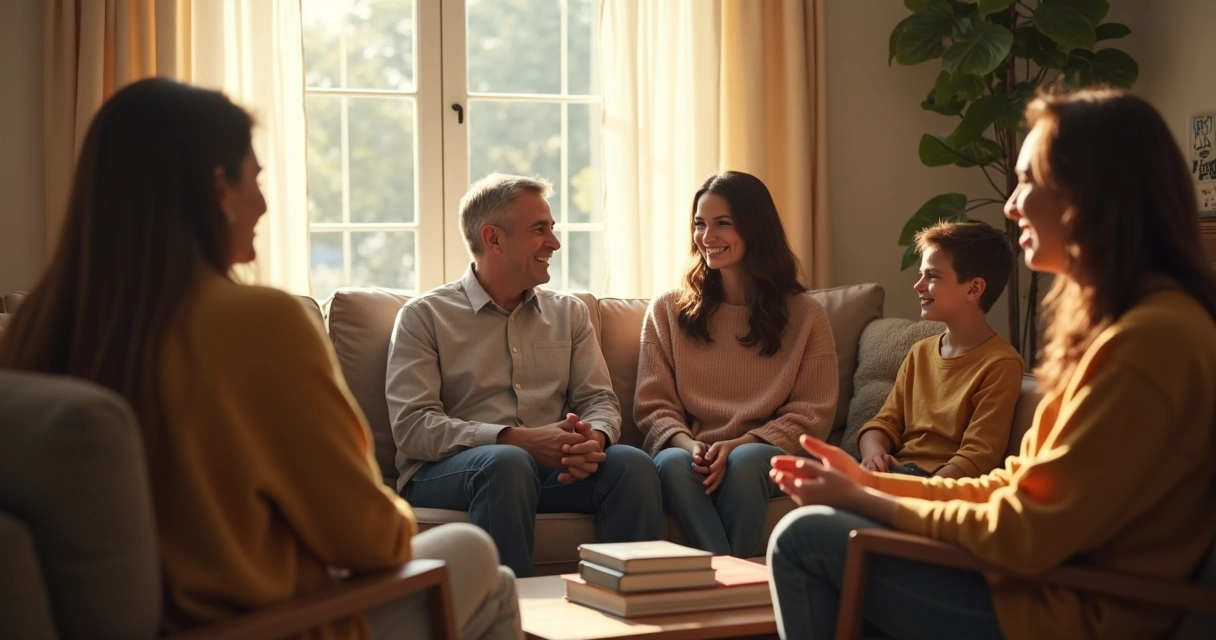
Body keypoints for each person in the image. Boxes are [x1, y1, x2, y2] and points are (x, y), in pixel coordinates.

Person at [0, 78, 521, 640]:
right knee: (476, 558)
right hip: (269, 625)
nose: (264, 204)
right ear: (217, 189)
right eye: (255, 179)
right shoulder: (258, 324)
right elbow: (369, 539)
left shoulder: (33, 329)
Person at [765, 89, 1216, 639]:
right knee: (827, 526)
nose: (1010, 204)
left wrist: (866, 497)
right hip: (1041, 584)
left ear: (1089, 193)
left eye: (1028, 180)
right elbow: (1009, 488)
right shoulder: (1126, 331)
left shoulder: (1151, 342)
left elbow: (1023, 530)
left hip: (1071, 611)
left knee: (805, 538)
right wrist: (869, 484)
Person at [385, 172, 663, 578]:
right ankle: (514, 622)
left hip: (545, 471)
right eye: (539, 230)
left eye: (552, 229)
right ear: (493, 239)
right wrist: (518, 440)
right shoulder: (423, 317)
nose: (554, 243)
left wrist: (593, 438)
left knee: (632, 465)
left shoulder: (569, 313)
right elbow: (414, 427)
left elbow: (598, 401)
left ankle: (626, 618)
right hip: (449, 472)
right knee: (507, 463)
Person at [634, 171, 838, 557]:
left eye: (722, 224)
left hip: (762, 451)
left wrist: (742, 442)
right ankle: (734, 577)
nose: (707, 237)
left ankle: (724, 579)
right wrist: (690, 445)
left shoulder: (807, 315)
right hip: (693, 449)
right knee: (673, 463)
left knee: (744, 463)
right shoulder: (667, 310)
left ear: (755, 228)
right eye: (700, 224)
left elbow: (813, 412)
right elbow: (653, 405)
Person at [856, 220, 1023, 479]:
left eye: (931, 276)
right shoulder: (919, 353)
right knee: (789, 464)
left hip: (930, 482)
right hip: (895, 472)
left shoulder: (1001, 364)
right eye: (921, 274)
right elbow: (883, 424)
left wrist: (914, 489)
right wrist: (872, 455)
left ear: (973, 289)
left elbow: (977, 456)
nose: (918, 285)